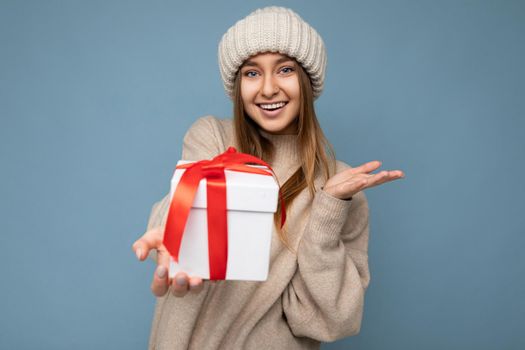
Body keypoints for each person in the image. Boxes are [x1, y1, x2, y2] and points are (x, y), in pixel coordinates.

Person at [132, 6, 404, 349]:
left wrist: (328, 209)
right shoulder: (213, 137)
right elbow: (186, 196)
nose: (268, 88)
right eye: (251, 73)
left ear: (306, 80)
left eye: (285, 69)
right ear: (237, 85)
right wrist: (172, 227)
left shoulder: (343, 186)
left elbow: (332, 320)